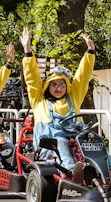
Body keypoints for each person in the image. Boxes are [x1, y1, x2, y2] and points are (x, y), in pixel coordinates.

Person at [20, 27, 98, 182]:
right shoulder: (39, 100)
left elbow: (82, 77)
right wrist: (28, 51)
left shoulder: (73, 98)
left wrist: (90, 52)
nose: (58, 88)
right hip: (49, 146)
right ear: (48, 85)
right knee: (61, 141)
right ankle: (72, 171)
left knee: (94, 141)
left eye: (62, 85)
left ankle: (109, 168)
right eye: (54, 85)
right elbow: (32, 79)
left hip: (75, 142)